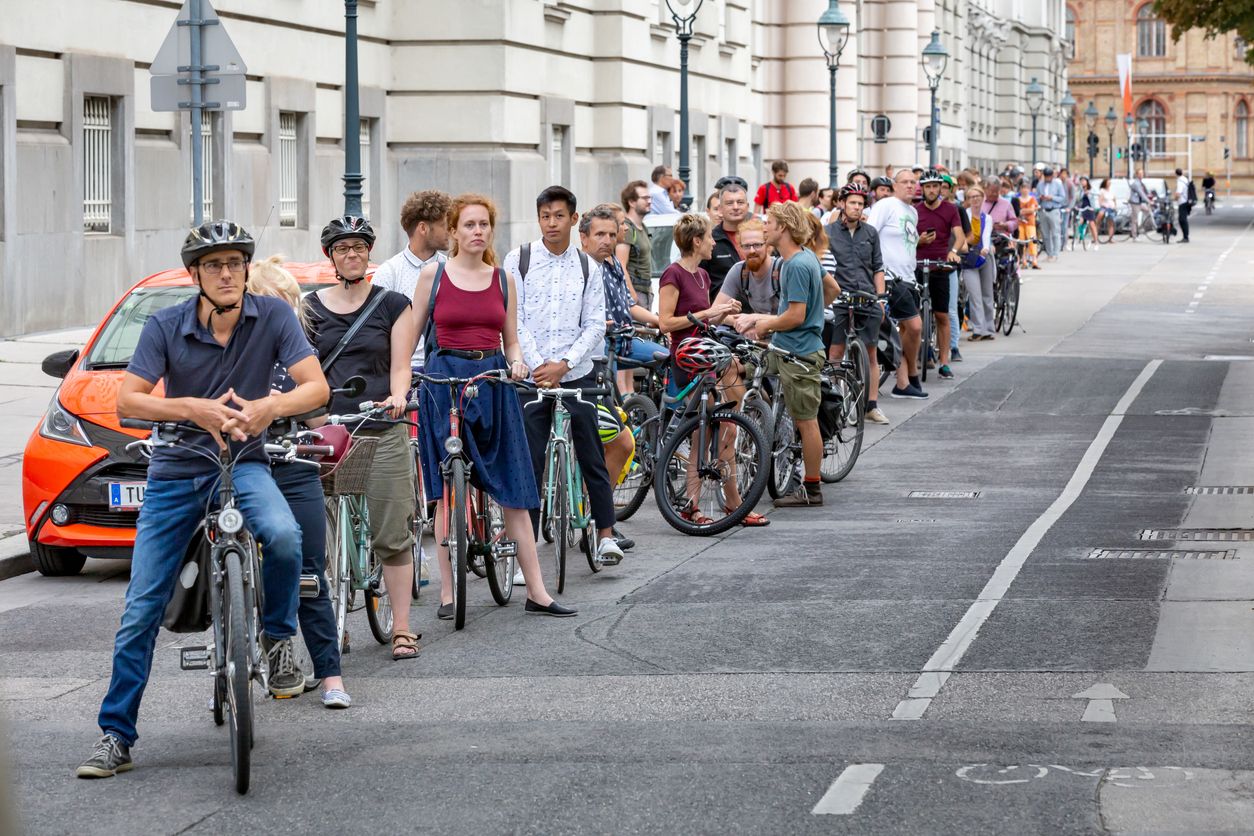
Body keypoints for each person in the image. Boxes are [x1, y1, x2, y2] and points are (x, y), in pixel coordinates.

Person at [78, 221, 330, 779]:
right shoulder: (165, 325)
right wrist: (192, 408)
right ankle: (116, 735)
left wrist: (269, 408)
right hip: (176, 472)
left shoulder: (275, 316)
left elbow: (317, 388)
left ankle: (279, 639)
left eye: (235, 263)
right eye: (213, 265)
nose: (226, 273)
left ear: (246, 270)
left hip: (245, 464)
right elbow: (130, 401)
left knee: (285, 538)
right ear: (195, 275)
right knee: (141, 605)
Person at [412, 193, 576, 617]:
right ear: (453, 231)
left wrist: (518, 361)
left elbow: (511, 339)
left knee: (516, 488)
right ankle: (449, 593)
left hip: (492, 379)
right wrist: (402, 384)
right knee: (449, 490)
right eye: (468, 224)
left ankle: (537, 591)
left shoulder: (503, 278)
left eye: (483, 224)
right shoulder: (434, 275)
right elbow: (409, 337)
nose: (477, 231)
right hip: (443, 382)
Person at [304, 217, 420, 656]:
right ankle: (332, 621)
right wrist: (314, 418)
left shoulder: (393, 304)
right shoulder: (310, 308)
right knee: (320, 531)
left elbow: (401, 363)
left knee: (392, 531)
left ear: (369, 253)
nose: (351, 255)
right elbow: (305, 368)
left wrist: (397, 396)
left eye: (358, 247)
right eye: (342, 248)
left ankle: (403, 627)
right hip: (328, 429)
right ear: (330, 256)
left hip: (380, 425)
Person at [247, 256, 350, 709]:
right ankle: (242, 641)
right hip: (244, 464)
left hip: (292, 462)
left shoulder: (298, 356)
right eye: (272, 302)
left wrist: (285, 404)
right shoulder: (231, 353)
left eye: (289, 302)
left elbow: (319, 415)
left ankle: (330, 674)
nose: (282, 312)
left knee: (310, 570)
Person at [504, 186, 624, 568]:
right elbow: (514, 319)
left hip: (578, 374)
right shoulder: (518, 260)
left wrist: (565, 365)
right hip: (533, 375)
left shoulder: (589, 266)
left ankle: (606, 534)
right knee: (530, 462)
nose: (551, 223)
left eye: (559, 216)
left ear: (574, 220)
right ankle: (528, 553)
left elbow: (593, 325)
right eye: (545, 216)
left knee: (592, 451)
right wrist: (541, 366)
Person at [657, 214, 766, 526]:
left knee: (723, 429)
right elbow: (666, 322)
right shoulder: (673, 275)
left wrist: (730, 315)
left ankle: (731, 504)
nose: (713, 243)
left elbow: (706, 321)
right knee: (704, 433)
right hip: (686, 358)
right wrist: (707, 312)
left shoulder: (702, 276)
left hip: (706, 356)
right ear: (696, 241)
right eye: (708, 238)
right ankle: (697, 506)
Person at [756, 202, 829, 508]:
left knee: (806, 422)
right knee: (736, 368)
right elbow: (832, 288)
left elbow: (796, 316)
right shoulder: (805, 257)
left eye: (768, 223)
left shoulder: (796, 265)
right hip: (787, 346)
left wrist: (763, 323)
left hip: (799, 353)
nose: (763, 227)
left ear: (782, 228)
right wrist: (818, 312)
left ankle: (812, 489)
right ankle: (761, 427)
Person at [824, 183, 889, 425]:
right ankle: (832, 406)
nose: (856, 207)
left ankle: (871, 405)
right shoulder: (828, 232)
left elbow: (878, 268)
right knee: (835, 352)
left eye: (861, 204)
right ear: (841, 203)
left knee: (871, 353)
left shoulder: (870, 233)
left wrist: (880, 299)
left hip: (868, 296)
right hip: (839, 298)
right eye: (852, 202)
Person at [373, 190, 452, 370]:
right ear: (423, 228)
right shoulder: (389, 272)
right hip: (403, 370)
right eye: (444, 226)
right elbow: (376, 331)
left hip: (445, 370)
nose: (451, 232)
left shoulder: (452, 269)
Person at [866, 168, 927, 400]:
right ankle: (910, 375)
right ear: (895, 185)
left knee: (903, 330)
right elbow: (870, 235)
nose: (911, 185)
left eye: (914, 182)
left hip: (909, 276)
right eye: (905, 182)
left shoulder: (912, 211)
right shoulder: (886, 206)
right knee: (915, 326)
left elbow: (908, 244)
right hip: (891, 277)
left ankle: (903, 382)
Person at [915, 169, 964, 381]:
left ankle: (944, 362)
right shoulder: (915, 210)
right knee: (914, 317)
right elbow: (906, 240)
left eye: (935, 186)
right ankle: (913, 360)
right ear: (923, 189)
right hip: (917, 265)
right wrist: (919, 242)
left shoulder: (950, 209)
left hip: (940, 266)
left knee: (942, 315)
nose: (932, 190)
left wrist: (953, 252)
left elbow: (960, 236)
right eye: (928, 186)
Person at [699, 176, 752, 298]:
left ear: (747, 206)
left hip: (760, 313)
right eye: (729, 203)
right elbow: (699, 283)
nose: (735, 207)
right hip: (723, 314)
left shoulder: (761, 237)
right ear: (721, 209)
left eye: (740, 202)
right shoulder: (709, 240)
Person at [961, 186, 996, 341]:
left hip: (984, 257)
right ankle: (977, 329)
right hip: (969, 259)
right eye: (971, 197)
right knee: (975, 296)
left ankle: (989, 328)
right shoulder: (964, 216)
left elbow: (986, 234)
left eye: (978, 196)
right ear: (967, 200)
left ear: (982, 198)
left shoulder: (987, 217)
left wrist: (987, 248)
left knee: (988, 294)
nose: (975, 199)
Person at [941, 174, 970, 363]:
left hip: (951, 263)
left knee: (951, 308)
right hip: (929, 262)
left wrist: (957, 250)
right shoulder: (920, 209)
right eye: (936, 186)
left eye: (944, 187)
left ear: (951, 189)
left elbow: (966, 238)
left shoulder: (956, 209)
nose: (940, 190)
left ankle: (954, 346)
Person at [620, 180, 655, 309]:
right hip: (635, 292)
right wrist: (632, 296)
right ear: (631, 202)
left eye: (649, 197)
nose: (649, 201)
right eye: (645, 198)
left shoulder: (643, 227)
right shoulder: (627, 228)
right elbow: (621, 265)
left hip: (645, 292)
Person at [1036, 166, 1065, 261]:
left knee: (1055, 233)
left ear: (1052, 176)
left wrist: (1052, 198)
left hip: (1054, 209)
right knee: (1045, 234)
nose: (1048, 178)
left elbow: (1062, 197)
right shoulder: (1040, 185)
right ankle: (1049, 253)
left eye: (1049, 176)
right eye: (1046, 176)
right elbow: (1036, 198)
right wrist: (1040, 198)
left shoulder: (1058, 184)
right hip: (1043, 210)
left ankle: (1055, 254)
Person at [1016, 182, 1040, 269]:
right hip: (1020, 223)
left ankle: (1034, 260)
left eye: (1026, 188)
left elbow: (1033, 209)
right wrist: (1028, 210)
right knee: (1021, 241)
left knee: (1032, 241)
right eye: (1023, 188)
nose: (1024, 190)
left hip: (1030, 223)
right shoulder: (1017, 200)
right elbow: (1018, 211)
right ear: (1020, 189)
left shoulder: (1032, 199)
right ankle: (1024, 260)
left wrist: (1023, 211)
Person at [1129, 168, 1153, 236]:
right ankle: (1134, 236)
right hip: (1135, 203)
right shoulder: (1136, 183)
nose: (1141, 175)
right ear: (1136, 175)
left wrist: (1149, 196)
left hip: (1140, 203)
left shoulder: (1140, 182)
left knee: (1148, 211)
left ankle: (1146, 226)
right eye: (1139, 174)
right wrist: (1148, 201)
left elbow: (1144, 192)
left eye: (1142, 173)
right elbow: (1141, 193)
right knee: (1134, 220)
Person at [1174, 167, 1192, 243]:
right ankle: (1185, 236)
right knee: (1183, 219)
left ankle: (1185, 237)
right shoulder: (1185, 179)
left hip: (1183, 202)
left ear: (1176, 174)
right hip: (1187, 201)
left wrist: (1174, 199)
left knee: (1182, 220)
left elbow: (1178, 193)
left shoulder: (1180, 181)